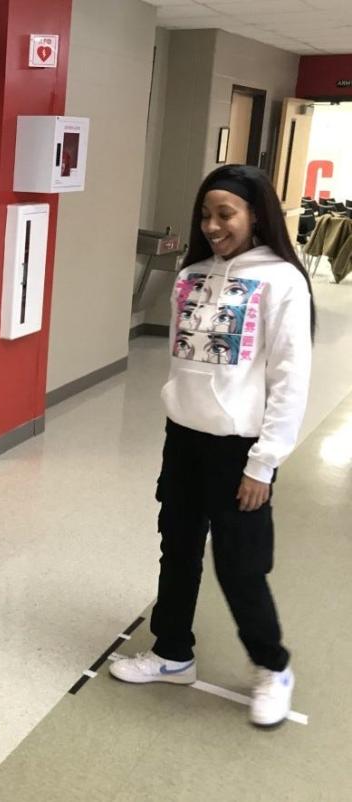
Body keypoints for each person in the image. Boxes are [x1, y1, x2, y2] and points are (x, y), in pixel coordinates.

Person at [110, 164, 315, 729]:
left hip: (241, 449)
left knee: (239, 566)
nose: (214, 225)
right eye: (207, 214)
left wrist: (264, 464)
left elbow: (290, 376)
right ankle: (172, 651)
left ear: (255, 215)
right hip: (185, 439)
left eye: (226, 214)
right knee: (176, 549)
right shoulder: (192, 273)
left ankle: (272, 668)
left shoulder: (282, 281)